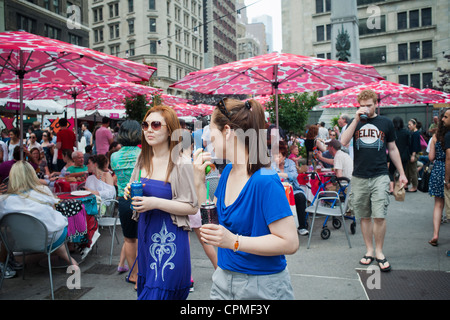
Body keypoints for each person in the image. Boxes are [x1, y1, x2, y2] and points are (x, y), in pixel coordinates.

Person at [193, 98, 298, 300]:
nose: (208, 138)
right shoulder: (228, 171)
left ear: (226, 131)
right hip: (224, 279)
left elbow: (290, 242)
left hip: (262, 286)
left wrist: (234, 241)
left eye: (210, 130)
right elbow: (212, 221)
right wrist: (198, 181)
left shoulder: (265, 179)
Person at [124, 105, 198, 300]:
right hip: (146, 237)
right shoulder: (143, 158)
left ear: (169, 130)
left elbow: (192, 206)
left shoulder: (181, 162)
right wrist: (128, 190)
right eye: (145, 124)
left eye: (156, 125)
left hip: (169, 241)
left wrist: (155, 202)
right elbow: (134, 185)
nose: (149, 129)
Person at [341, 89, 408, 272]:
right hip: (359, 175)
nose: (366, 109)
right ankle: (369, 250)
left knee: (379, 215)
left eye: (369, 105)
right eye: (362, 105)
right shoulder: (355, 122)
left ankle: (379, 251)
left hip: (380, 174)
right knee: (364, 216)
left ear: (376, 104)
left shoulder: (385, 122)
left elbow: (392, 149)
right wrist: (356, 119)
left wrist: (401, 173)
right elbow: (344, 142)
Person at [0, 161, 78, 267]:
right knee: (59, 224)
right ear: (32, 175)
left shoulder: (3, 200)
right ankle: (66, 256)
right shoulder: (43, 191)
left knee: (5, 232)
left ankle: (2, 264)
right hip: (47, 240)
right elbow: (54, 216)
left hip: (17, 242)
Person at [110, 120, 141, 281]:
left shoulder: (114, 156)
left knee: (129, 239)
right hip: (142, 199)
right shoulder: (143, 154)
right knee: (144, 237)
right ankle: (145, 273)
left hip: (124, 199)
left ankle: (134, 275)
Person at [272, 141, 309, 236]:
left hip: (293, 190)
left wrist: (280, 174)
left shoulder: (290, 163)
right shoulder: (271, 165)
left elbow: (294, 175)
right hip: (278, 191)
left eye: (279, 156)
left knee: (300, 197)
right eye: (274, 156)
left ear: (284, 156)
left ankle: (302, 226)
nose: (276, 159)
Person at [427, 111, 449, 246]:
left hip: (437, 169)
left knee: (438, 204)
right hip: (447, 169)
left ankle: (435, 234)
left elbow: (430, 157)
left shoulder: (436, 136)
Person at [388, 117, 410, 194]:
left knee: (390, 172)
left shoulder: (392, 132)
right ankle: (400, 189)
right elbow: (409, 144)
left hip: (392, 156)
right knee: (402, 171)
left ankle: (391, 188)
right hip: (404, 155)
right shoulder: (406, 132)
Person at [406, 118, 421, 192]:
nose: (408, 126)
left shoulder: (415, 134)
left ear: (415, 125)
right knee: (410, 170)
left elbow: (415, 146)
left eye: (410, 124)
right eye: (408, 125)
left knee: (413, 171)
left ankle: (414, 186)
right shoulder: (413, 133)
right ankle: (410, 184)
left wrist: (413, 155)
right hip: (412, 153)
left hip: (413, 154)